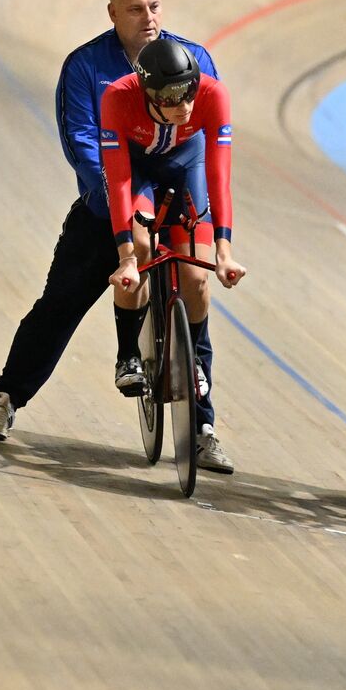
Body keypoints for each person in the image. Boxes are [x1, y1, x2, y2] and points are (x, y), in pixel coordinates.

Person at [0, 0, 229, 472]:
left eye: (155, 6)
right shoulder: (86, 67)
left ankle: (202, 428)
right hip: (113, 190)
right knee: (61, 302)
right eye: (136, 9)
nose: (149, 17)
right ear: (112, 14)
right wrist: (127, 202)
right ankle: (7, 396)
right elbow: (83, 146)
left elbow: (207, 135)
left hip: (178, 180)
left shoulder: (192, 59)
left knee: (195, 285)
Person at [97, 38, 246, 470]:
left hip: (188, 166)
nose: (183, 107)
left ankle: (195, 364)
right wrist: (127, 256)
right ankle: (129, 352)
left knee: (197, 278)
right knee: (141, 249)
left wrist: (224, 249)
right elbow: (120, 179)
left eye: (188, 93)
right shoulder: (118, 97)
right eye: (169, 99)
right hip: (140, 171)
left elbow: (219, 174)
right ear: (146, 94)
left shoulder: (212, 94)